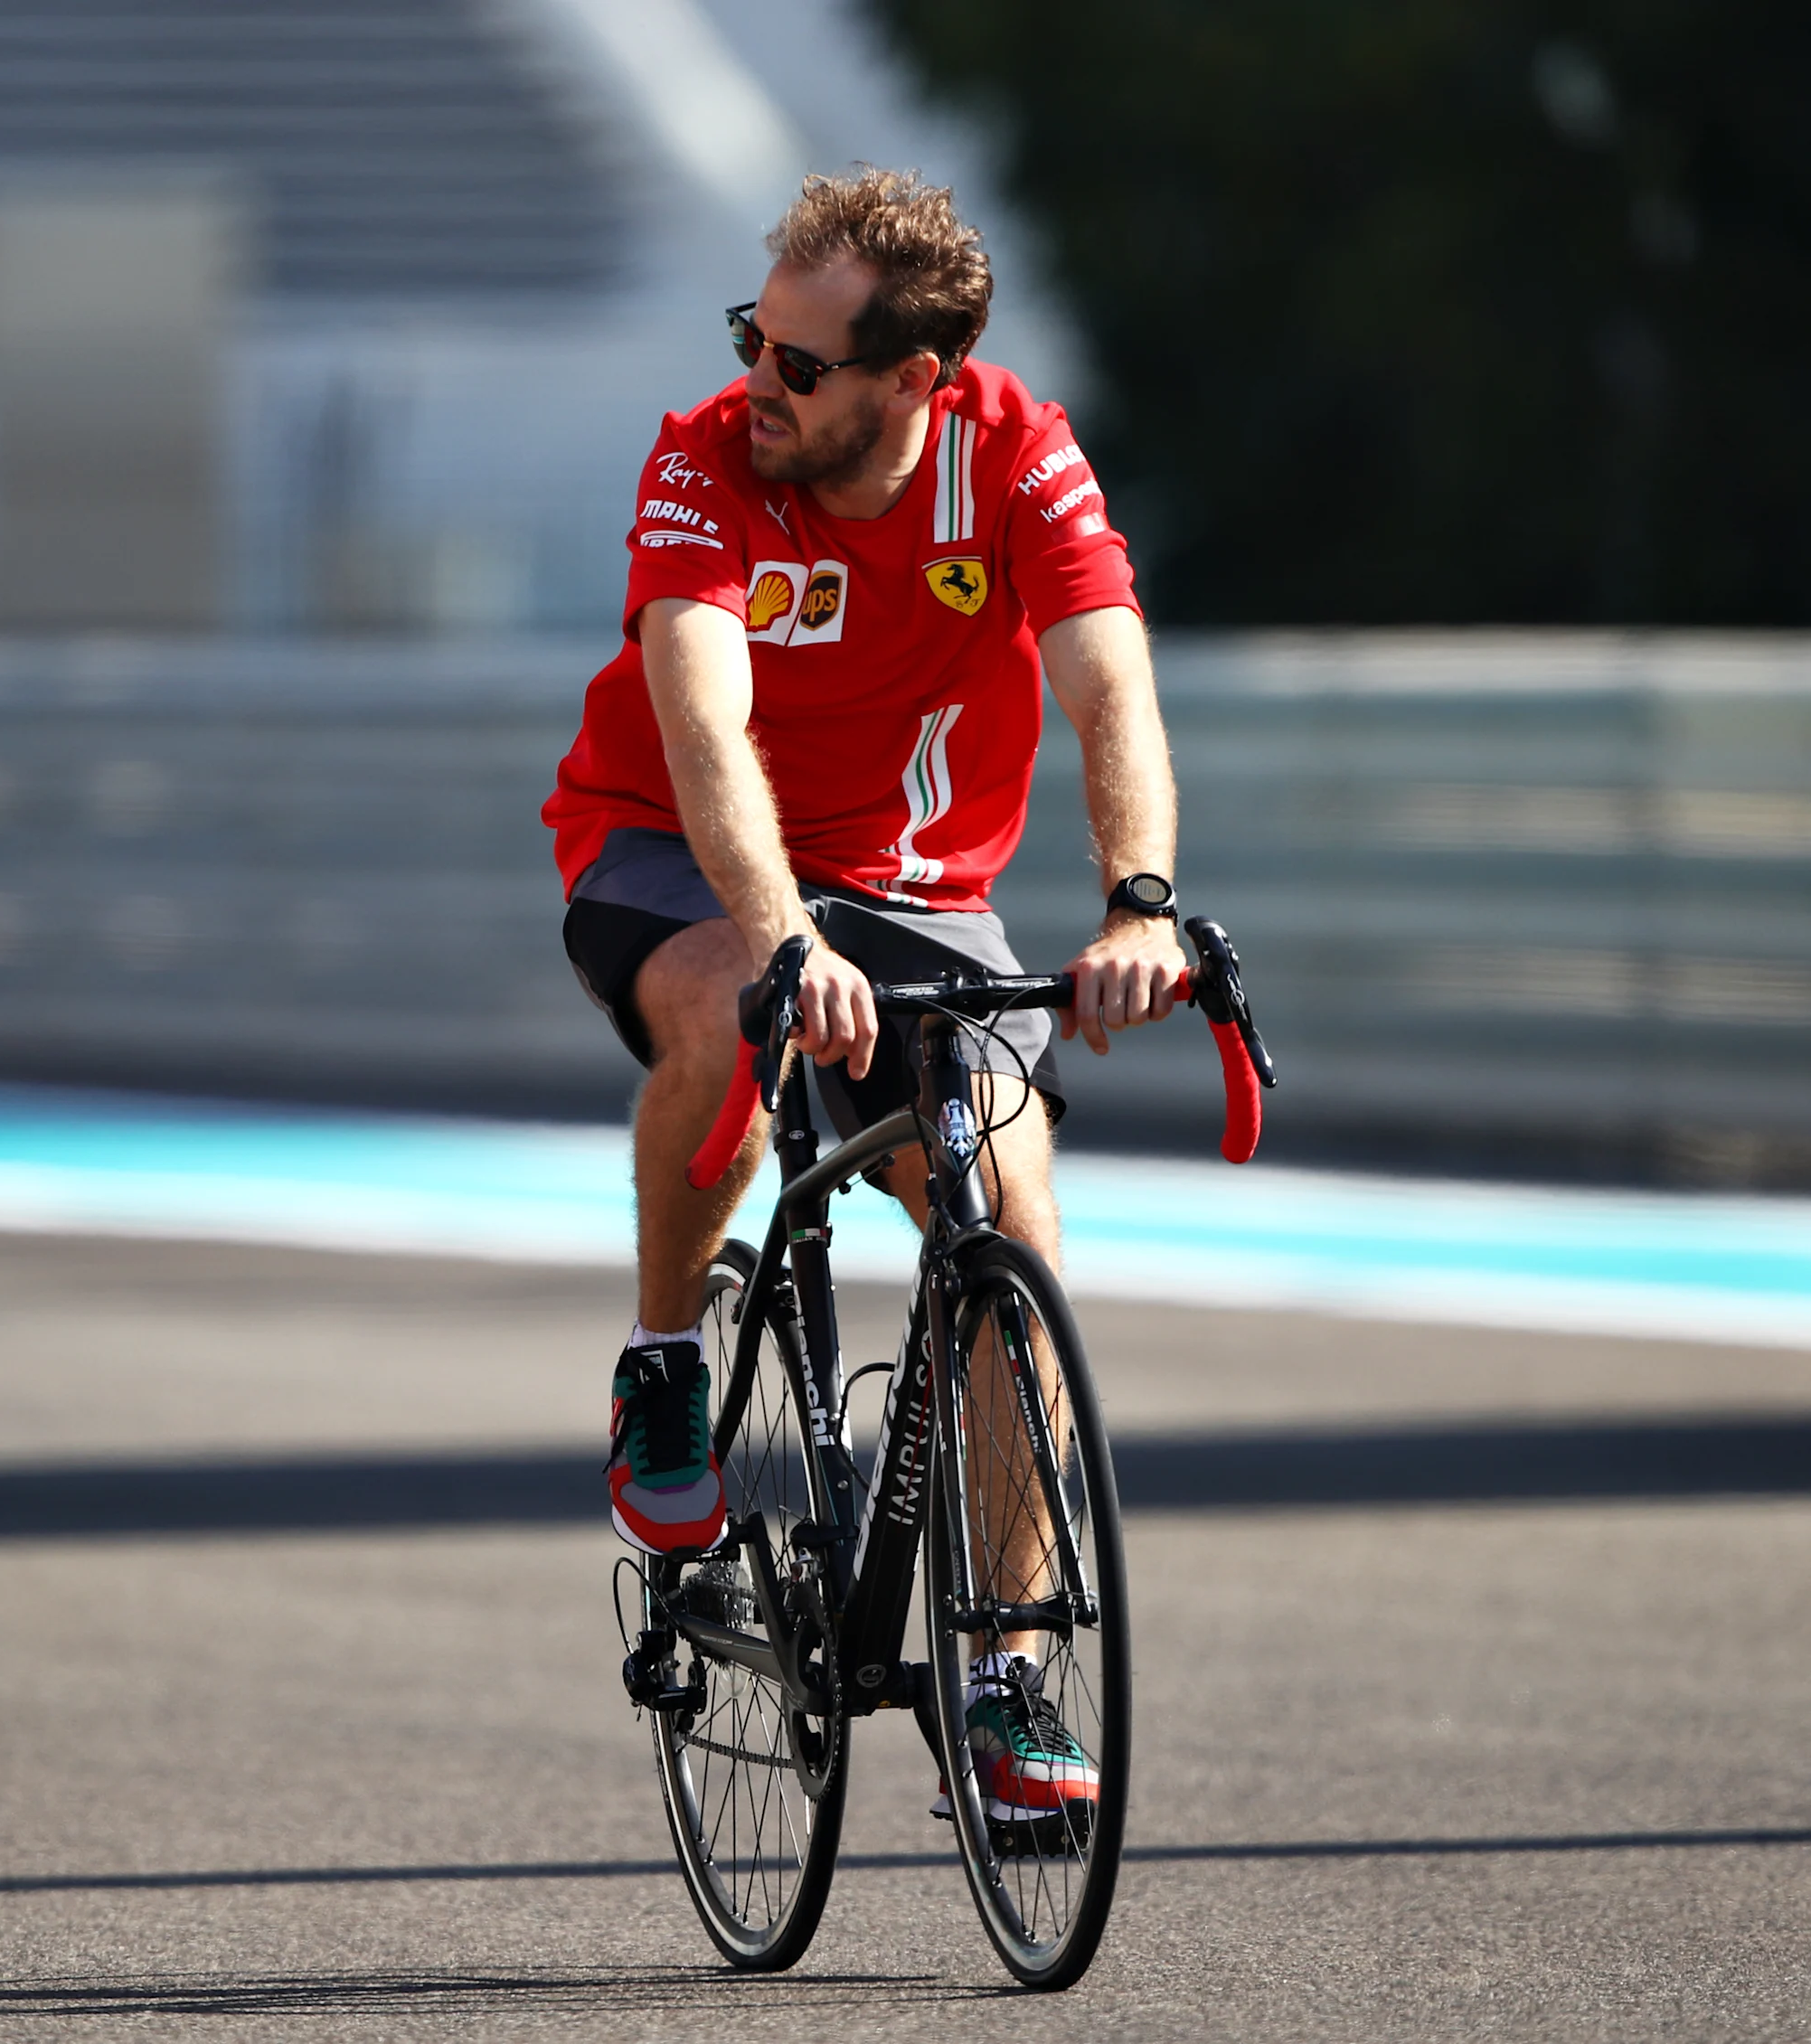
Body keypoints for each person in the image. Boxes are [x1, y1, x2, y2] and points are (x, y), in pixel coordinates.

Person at [543, 167, 1183, 1812]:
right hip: (678, 852)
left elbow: (1108, 670)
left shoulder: (1014, 451)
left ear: (916, 377)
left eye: (801, 364)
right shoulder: (705, 457)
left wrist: (1140, 901)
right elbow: (698, 717)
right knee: (719, 1026)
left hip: (913, 892)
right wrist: (777, 943)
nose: (760, 379)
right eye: (754, 336)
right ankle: (667, 1358)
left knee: (1011, 1214)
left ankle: (1008, 1668)